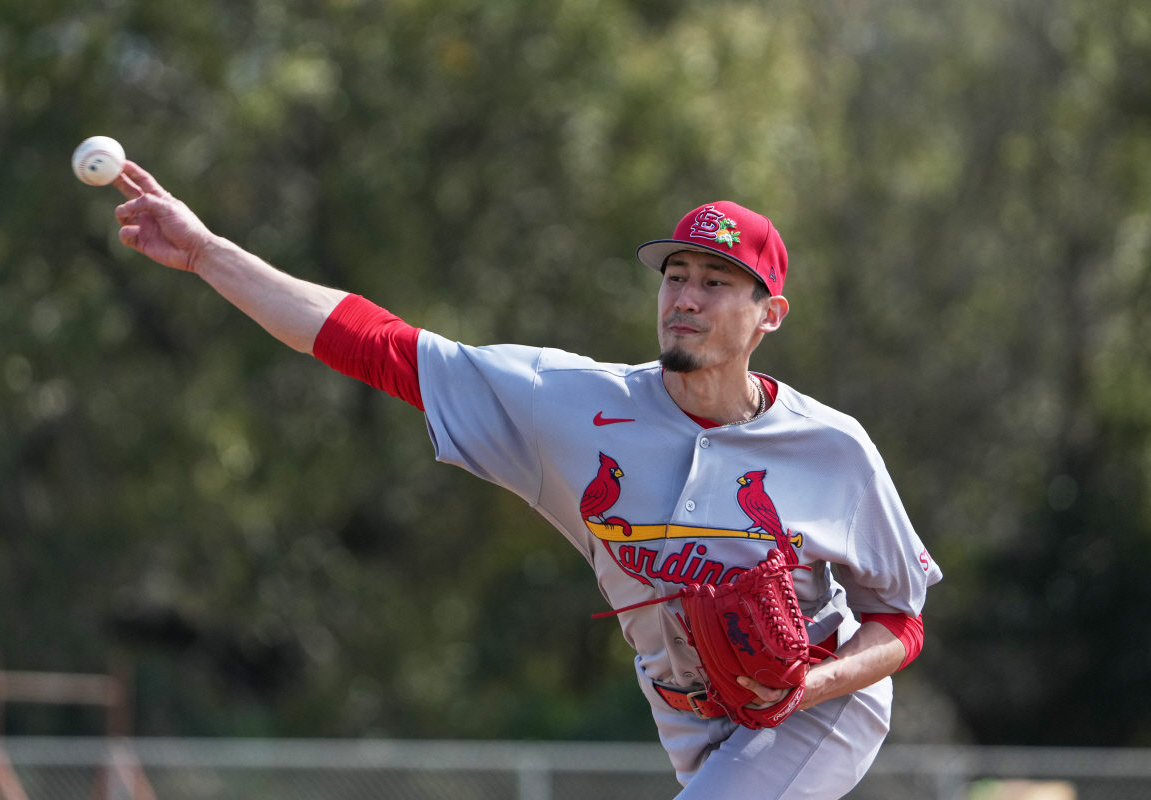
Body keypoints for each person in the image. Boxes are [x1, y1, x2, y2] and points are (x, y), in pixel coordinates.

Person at [111, 162, 941, 799]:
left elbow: (900, 621)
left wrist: (806, 687)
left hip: (823, 711)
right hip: (684, 712)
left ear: (770, 315)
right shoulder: (568, 405)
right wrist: (207, 253)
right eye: (675, 275)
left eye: (716, 282)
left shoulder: (832, 448)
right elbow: (378, 345)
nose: (685, 297)